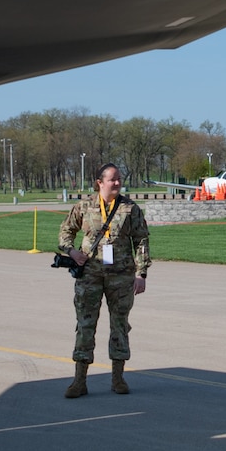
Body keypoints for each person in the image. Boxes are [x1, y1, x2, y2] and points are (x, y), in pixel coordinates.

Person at [56, 164, 150, 398]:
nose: (117, 183)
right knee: (85, 325)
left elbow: (141, 241)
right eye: (112, 180)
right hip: (90, 275)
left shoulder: (130, 208)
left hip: (121, 276)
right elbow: (65, 232)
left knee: (120, 325)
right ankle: (79, 381)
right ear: (100, 182)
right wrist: (71, 251)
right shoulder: (85, 206)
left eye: (119, 179)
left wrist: (141, 274)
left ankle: (118, 378)